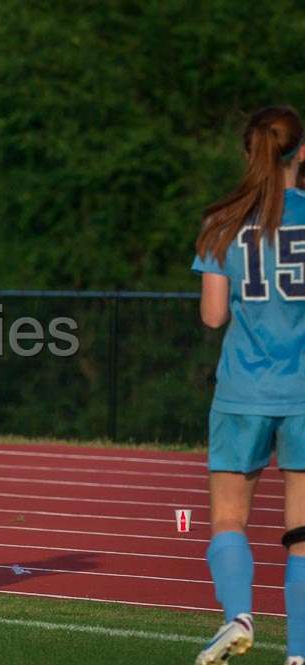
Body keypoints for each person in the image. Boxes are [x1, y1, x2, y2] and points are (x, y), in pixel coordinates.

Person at [192, 106, 305, 665]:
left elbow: (214, 317)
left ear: (248, 152)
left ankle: (238, 615)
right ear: (301, 153)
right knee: (302, 530)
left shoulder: (221, 222)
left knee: (230, 518)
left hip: (242, 390)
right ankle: (300, 652)